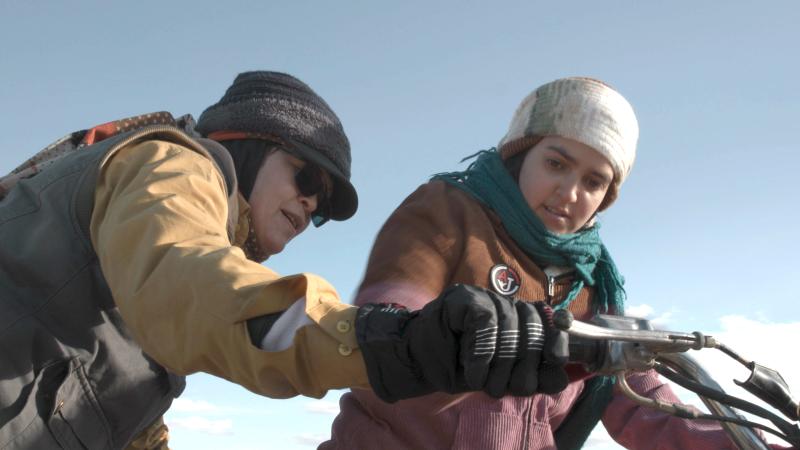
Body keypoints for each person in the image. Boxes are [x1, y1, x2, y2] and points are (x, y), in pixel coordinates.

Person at [0, 71, 568, 450]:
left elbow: (118, 398)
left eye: (320, 207)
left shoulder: (197, 285)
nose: (310, 205)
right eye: (306, 178)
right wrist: (388, 340)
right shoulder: (173, 164)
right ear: (245, 141)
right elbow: (184, 276)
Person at [322, 77, 748, 449]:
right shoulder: (447, 211)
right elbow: (392, 304)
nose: (569, 192)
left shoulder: (593, 281)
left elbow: (635, 397)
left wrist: (744, 443)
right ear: (522, 154)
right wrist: (427, 326)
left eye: (594, 181)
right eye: (556, 163)